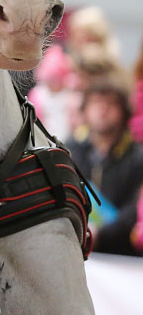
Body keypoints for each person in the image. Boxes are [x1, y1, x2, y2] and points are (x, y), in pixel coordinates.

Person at [66, 79, 143, 255]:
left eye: (110, 104)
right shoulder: (71, 150)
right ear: (84, 110)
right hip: (77, 249)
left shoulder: (137, 156)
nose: (102, 109)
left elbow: (136, 206)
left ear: (124, 111)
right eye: (95, 103)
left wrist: (102, 233)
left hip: (124, 255)